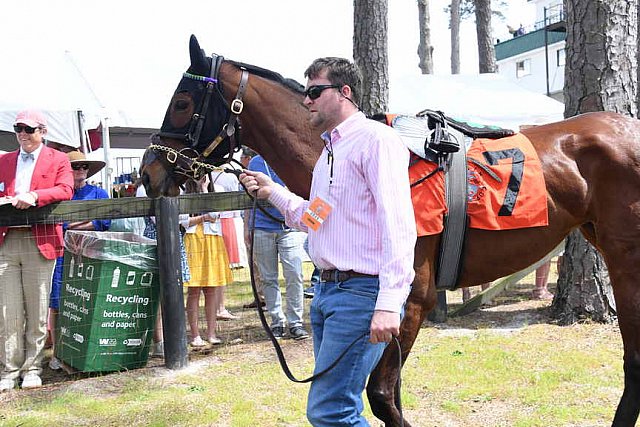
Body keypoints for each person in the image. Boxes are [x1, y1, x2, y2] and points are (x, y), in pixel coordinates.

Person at [240, 57, 416, 425]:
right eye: (307, 93)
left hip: (361, 296)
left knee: (330, 410)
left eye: (315, 92)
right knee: (338, 405)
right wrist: (272, 191)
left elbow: (398, 226)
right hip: (328, 295)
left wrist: (388, 303)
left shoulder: (376, 141)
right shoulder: (329, 154)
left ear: (345, 93)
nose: (307, 101)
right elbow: (315, 218)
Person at [0, 110, 74, 390]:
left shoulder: (59, 159)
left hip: (40, 240)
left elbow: (65, 189)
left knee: (38, 308)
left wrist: (34, 197)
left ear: (42, 131)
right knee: (7, 312)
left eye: (28, 129)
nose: (22, 134)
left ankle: (32, 368)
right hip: (6, 241)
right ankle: (9, 371)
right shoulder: (4, 160)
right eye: (18, 128)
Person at [48, 151, 110, 370]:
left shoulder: (98, 192)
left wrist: (71, 225)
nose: (81, 170)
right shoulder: (60, 194)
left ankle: (87, 349)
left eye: (84, 166)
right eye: (76, 166)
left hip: (90, 256)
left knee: (88, 302)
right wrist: (84, 222)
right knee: (57, 303)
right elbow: (56, 224)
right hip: (61, 254)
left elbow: (104, 222)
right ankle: (56, 352)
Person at [246, 154, 308, 340]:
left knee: (295, 274)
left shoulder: (289, 158)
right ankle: (277, 321)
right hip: (262, 227)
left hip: (290, 228)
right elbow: (248, 198)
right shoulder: (255, 162)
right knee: (268, 277)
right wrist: (247, 226)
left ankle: (296, 322)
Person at [180, 176, 234, 347]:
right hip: (193, 240)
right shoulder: (183, 190)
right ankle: (195, 335)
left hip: (212, 239)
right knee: (194, 290)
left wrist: (204, 190)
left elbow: (215, 215)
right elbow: (183, 222)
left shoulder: (215, 189)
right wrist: (203, 218)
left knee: (211, 290)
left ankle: (211, 333)